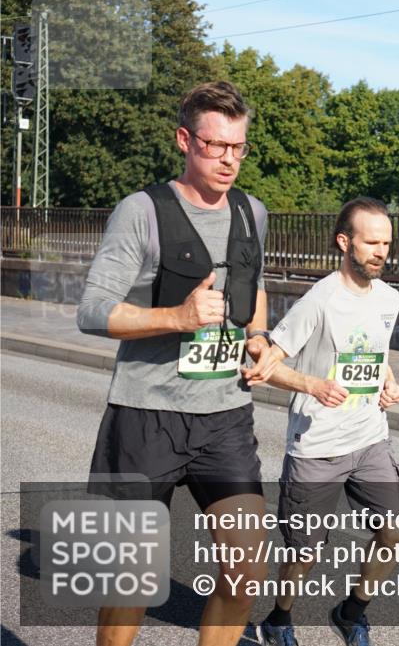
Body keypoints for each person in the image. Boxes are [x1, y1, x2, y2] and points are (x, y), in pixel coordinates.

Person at [77, 81, 279, 646]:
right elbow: (92, 311)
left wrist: (258, 335)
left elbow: (254, 286)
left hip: (225, 418)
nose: (229, 160)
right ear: (185, 140)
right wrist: (178, 317)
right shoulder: (141, 211)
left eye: (239, 148)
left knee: (245, 567)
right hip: (146, 415)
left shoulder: (252, 212)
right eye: (216, 147)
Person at [243, 196, 399, 646]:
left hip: (370, 439)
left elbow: (375, 352)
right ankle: (278, 619)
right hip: (316, 447)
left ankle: (351, 611)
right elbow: (266, 367)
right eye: (371, 242)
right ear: (344, 242)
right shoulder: (319, 300)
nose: (381, 251)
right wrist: (312, 386)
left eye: (386, 243)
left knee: (395, 532)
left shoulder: (390, 298)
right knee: (305, 554)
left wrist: (388, 382)